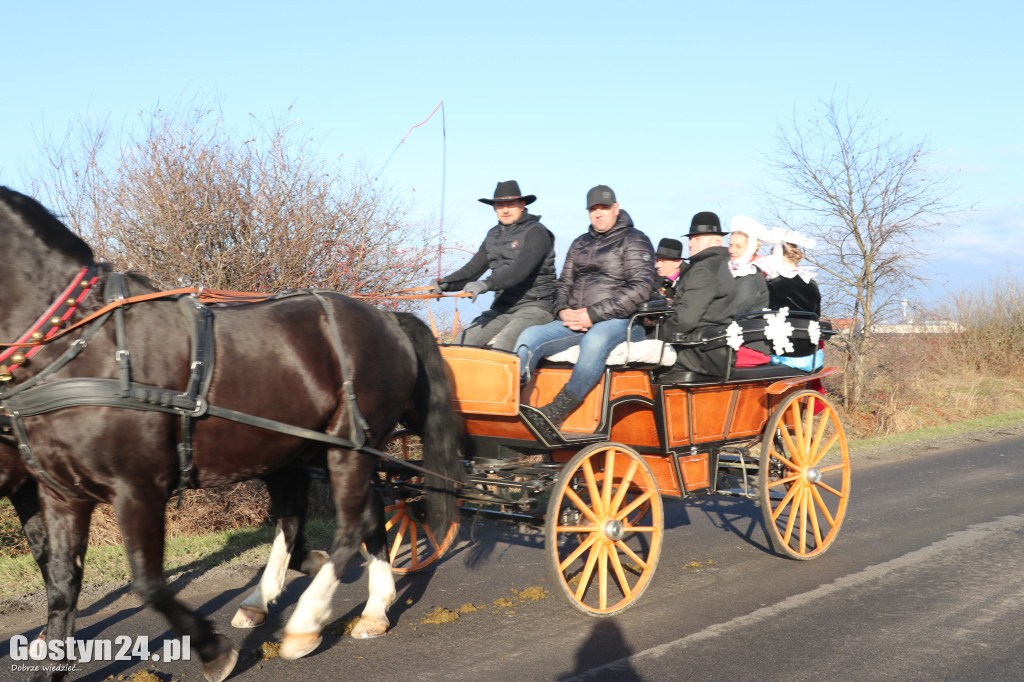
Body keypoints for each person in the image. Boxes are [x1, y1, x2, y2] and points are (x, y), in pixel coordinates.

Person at [515, 185, 656, 433]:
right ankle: (514, 399)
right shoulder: (580, 243)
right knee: (530, 336)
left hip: (623, 321)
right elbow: (563, 284)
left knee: (596, 339)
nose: (598, 213)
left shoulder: (635, 239)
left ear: (616, 208)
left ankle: (558, 410)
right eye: (593, 209)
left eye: (603, 208)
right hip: (575, 319)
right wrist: (561, 311)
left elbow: (641, 287)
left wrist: (593, 315)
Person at [433, 180, 557, 351]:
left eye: (510, 205)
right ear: (494, 208)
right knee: (460, 342)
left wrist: (486, 284)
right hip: (502, 309)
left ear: (522, 205)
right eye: (500, 205)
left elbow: (520, 269)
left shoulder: (537, 232)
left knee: (504, 345)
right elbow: (472, 270)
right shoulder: (493, 235)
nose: (505, 210)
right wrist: (445, 283)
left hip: (535, 307)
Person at [662, 211, 739, 377]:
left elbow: (685, 319)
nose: (690, 244)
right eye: (691, 239)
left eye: (697, 238)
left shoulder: (703, 269)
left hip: (698, 352)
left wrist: (656, 335)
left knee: (636, 358)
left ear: (717, 241)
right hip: (713, 351)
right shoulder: (719, 265)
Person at [761, 227, 822, 358]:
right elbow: (816, 314)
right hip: (809, 350)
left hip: (780, 350)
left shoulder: (773, 284)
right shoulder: (811, 283)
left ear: (779, 256)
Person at [727, 216, 771, 366]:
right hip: (734, 340)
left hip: (750, 345)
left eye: (738, 247)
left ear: (750, 247)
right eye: (730, 245)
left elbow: (731, 310)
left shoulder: (749, 277)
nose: (732, 250)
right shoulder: (735, 273)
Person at [655, 237, 686, 303]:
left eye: (663, 262)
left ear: (677, 262)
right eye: (657, 260)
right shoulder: (650, 279)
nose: (658, 265)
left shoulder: (690, 279)